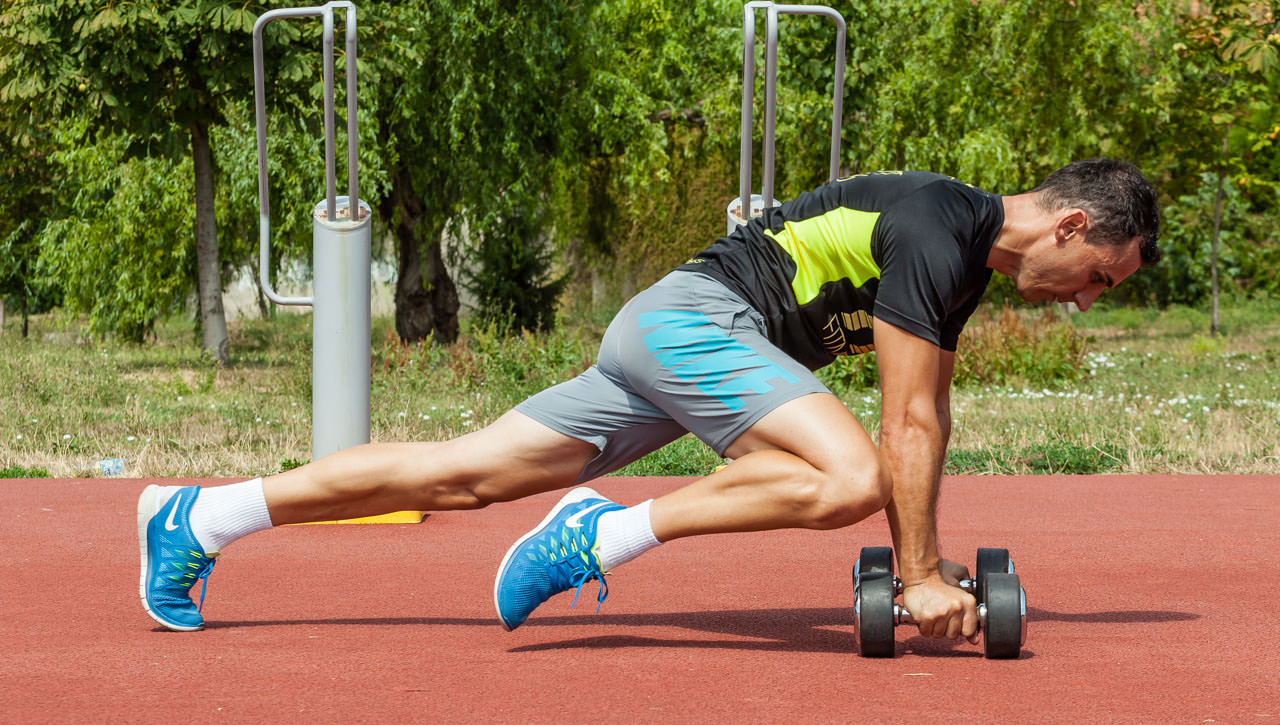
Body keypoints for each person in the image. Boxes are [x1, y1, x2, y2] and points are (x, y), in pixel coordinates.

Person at [138, 158, 1160, 642]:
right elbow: (906, 429)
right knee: (845, 471)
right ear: (1070, 222)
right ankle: (601, 532)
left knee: (460, 473)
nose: (1081, 299)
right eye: (1097, 276)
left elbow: (924, 419)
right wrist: (919, 575)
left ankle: (200, 515)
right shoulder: (941, 222)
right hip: (693, 327)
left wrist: (924, 567)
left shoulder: (961, 258)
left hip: (679, 343)